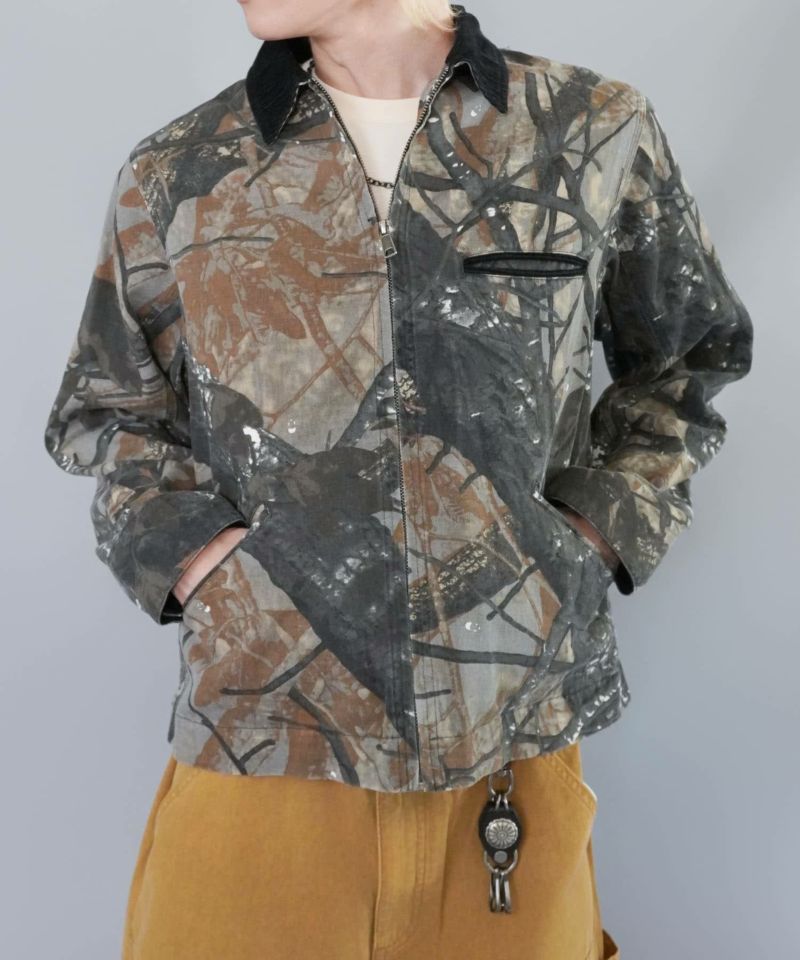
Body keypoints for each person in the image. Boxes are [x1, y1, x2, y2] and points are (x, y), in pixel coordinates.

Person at [42, 1, 754, 957]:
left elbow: (688, 360)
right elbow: (109, 413)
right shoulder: (181, 170)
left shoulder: (590, 129)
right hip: (262, 749)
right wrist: (211, 574)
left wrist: (586, 542)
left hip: (508, 756)